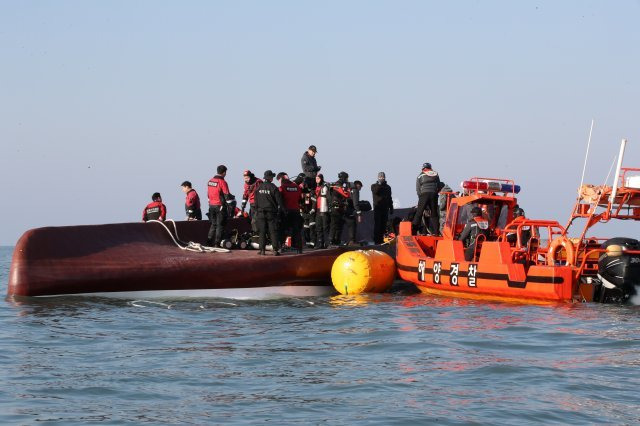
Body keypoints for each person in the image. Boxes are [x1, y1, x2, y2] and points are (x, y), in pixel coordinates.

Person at [255, 170, 284, 255]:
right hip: (271, 213)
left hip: (261, 213)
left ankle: (262, 250)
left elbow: (255, 202)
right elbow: (279, 201)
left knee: (262, 231)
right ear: (270, 178)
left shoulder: (259, 187)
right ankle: (275, 250)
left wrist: (257, 210)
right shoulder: (273, 187)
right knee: (273, 231)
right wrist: (283, 210)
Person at [277, 172, 304, 253]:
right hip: (296, 211)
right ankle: (298, 248)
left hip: (285, 212)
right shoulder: (297, 187)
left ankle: (281, 246)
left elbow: (279, 200)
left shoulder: (282, 188)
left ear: (281, 179)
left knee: (283, 230)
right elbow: (300, 199)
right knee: (296, 230)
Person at [412, 162, 441, 236]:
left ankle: (414, 231)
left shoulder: (420, 175)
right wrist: (435, 193)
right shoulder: (435, 174)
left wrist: (420, 198)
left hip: (424, 195)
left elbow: (418, 189)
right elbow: (439, 185)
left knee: (419, 213)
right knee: (434, 213)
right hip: (434, 194)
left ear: (423, 168)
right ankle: (436, 232)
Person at [207, 165, 232, 247]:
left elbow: (208, 194)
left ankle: (209, 242)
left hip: (211, 205)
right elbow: (227, 195)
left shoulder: (210, 181)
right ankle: (217, 243)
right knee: (219, 225)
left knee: (213, 224)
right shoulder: (223, 182)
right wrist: (230, 207)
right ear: (224, 172)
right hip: (220, 206)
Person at [329, 171, 351, 246]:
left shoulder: (340, 185)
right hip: (336, 207)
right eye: (346, 178)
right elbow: (346, 195)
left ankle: (337, 240)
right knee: (334, 225)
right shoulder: (337, 185)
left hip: (340, 208)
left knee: (339, 225)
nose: (347, 180)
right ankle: (331, 240)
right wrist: (347, 190)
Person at [371, 172, 393, 244]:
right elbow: (376, 191)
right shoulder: (374, 186)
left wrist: (391, 207)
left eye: (383, 177)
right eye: (380, 177)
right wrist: (379, 184)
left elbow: (389, 198)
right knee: (377, 224)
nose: (381, 178)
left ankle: (382, 239)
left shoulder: (388, 187)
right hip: (377, 208)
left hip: (385, 208)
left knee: (384, 225)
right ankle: (376, 240)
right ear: (378, 178)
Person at [239, 170, 263, 234]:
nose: (246, 180)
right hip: (252, 203)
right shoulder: (246, 185)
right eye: (245, 178)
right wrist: (243, 206)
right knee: (251, 218)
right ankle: (254, 232)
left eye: (247, 178)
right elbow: (245, 195)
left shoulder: (258, 182)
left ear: (250, 176)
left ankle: (257, 233)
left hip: (259, 203)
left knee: (255, 220)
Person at [314, 173, 330, 249]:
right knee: (318, 227)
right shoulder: (316, 187)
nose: (317, 180)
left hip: (324, 209)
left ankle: (327, 243)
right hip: (318, 209)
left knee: (325, 227)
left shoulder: (325, 186)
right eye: (316, 178)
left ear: (321, 179)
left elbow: (328, 197)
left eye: (318, 178)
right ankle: (320, 243)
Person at [343, 180, 362, 245]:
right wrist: (359, 213)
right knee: (352, 226)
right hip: (350, 211)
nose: (360, 190)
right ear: (358, 185)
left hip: (343, 210)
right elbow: (355, 203)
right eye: (360, 188)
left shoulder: (347, 189)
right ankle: (352, 241)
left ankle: (335, 241)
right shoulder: (355, 190)